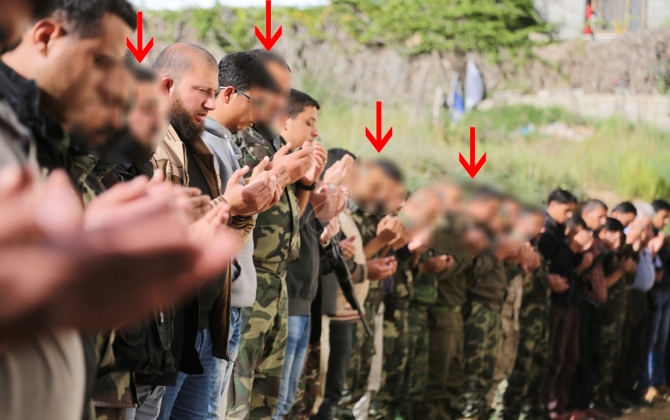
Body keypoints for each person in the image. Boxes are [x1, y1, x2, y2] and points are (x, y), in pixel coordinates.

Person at [149, 42, 254, 420]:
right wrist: (230, 206)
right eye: (202, 91)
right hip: (162, 331)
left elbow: (217, 239)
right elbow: (163, 246)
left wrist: (246, 210)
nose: (211, 103)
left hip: (205, 320)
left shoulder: (193, 143)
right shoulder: (146, 145)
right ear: (166, 86)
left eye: (214, 92)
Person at [226, 50, 318, 420]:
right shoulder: (243, 142)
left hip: (277, 282)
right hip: (249, 280)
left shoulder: (274, 144)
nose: (282, 100)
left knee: (267, 394)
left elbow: (289, 223)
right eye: (275, 90)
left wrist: (303, 183)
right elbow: (239, 209)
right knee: (237, 393)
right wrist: (279, 175)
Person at [203, 51, 285, 420]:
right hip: (213, 301)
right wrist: (242, 204)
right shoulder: (204, 144)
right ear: (229, 93)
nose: (264, 112)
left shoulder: (230, 142)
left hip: (234, 296)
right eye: (260, 101)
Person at [274, 90, 346, 420]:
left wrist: (319, 207)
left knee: (288, 399)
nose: (315, 132)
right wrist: (314, 192)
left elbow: (303, 232)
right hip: (282, 300)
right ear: (284, 121)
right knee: (274, 402)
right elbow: (284, 235)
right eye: (309, 122)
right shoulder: (275, 165)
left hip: (303, 301)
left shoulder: (299, 173)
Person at [538, 189, 582, 420]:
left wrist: (575, 250)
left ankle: (552, 408)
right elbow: (552, 264)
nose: (569, 215)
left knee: (560, 359)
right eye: (566, 210)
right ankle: (542, 408)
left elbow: (569, 266)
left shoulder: (559, 231)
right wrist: (572, 248)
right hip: (549, 305)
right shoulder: (544, 231)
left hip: (564, 302)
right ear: (553, 205)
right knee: (546, 360)